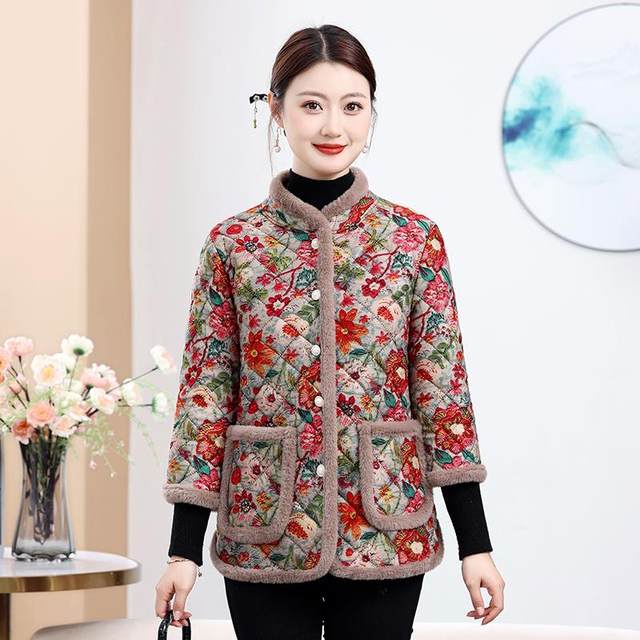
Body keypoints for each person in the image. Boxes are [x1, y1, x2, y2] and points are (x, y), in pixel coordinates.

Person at [155, 24, 505, 639]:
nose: (333, 127)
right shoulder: (233, 244)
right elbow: (205, 396)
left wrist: (475, 544)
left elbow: (443, 392)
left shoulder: (412, 240)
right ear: (276, 109)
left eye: (352, 106)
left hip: (385, 528)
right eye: (312, 105)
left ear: (372, 114)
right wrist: (183, 551)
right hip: (263, 525)